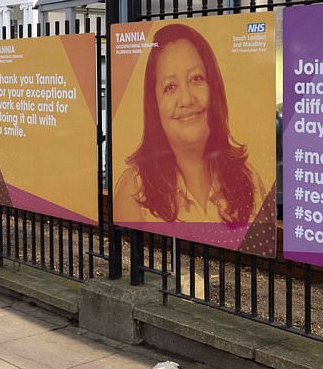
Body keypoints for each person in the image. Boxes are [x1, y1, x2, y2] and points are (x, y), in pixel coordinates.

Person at [113, 23, 264, 227]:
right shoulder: (134, 189)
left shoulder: (249, 180)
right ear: (154, 105)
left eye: (196, 78)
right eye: (170, 87)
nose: (186, 99)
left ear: (214, 89)